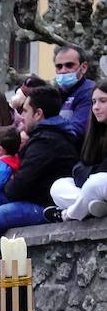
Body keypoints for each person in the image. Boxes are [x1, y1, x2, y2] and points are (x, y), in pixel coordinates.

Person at [0, 85, 78, 239]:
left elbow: (18, 187)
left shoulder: (46, 141)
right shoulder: (51, 136)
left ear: (38, 114)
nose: (21, 117)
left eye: (26, 111)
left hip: (41, 207)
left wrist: (7, 182)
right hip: (38, 202)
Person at [47, 77, 107, 221]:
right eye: (93, 102)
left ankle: (66, 214)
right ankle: (95, 207)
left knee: (95, 183)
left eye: (103, 101)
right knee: (58, 186)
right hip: (95, 188)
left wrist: (90, 174)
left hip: (99, 184)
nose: (96, 107)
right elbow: (80, 167)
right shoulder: (96, 133)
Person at [54, 45, 95, 139]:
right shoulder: (56, 93)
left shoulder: (90, 91)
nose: (63, 71)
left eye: (69, 65)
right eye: (59, 67)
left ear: (83, 67)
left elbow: (77, 129)